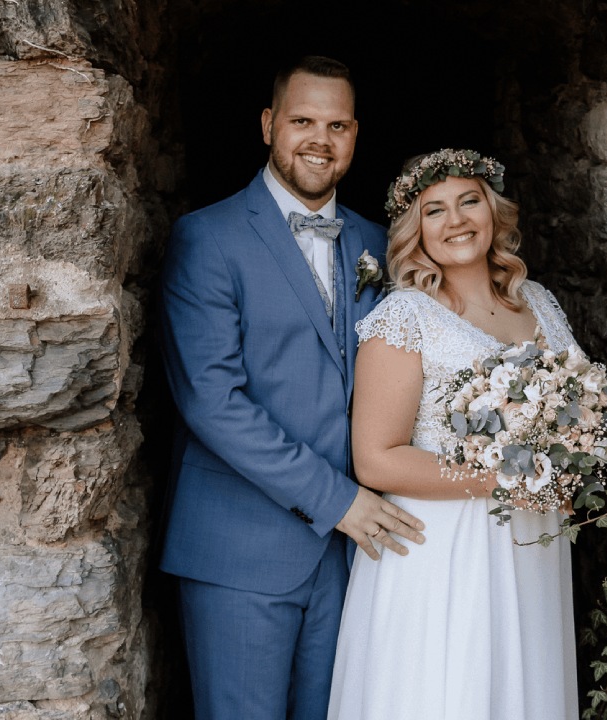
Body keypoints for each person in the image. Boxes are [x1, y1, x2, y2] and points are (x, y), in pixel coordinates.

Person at [158, 55, 425, 720]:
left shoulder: (377, 242)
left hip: (353, 558)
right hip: (239, 550)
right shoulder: (207, 238)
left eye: (337, 125)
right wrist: (338, 499)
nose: (320, 139)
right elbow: (211, 401)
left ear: (356, 135)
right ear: (268, 124)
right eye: (303, 120)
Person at [327, 149, 580, 719]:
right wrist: (504, 478)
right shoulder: (405, 316)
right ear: (416, 231)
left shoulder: (537, 300)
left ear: (493, 213)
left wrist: (572, 461)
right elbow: (376, 460)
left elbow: (575, 407)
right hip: (442, 543)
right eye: (434, 210)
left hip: (534, 533)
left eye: (470, 202)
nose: (457, 221)